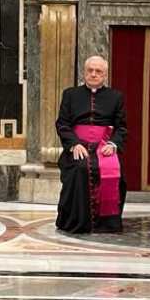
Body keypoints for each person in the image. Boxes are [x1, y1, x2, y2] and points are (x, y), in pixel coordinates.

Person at [55, 55, 127, 233]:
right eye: (90, 70)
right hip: (79, 145)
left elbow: (121, 127)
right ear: (84, 72)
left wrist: (113, 143)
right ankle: (76, 222)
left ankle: (106, 223)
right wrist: (73, 144)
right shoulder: (70, 94)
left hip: (103, 146)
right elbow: (62, 124)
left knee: (114, 172)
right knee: (80, 169)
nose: (94, 74)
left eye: (98, 71)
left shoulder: (116, 96)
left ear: (105, 75)